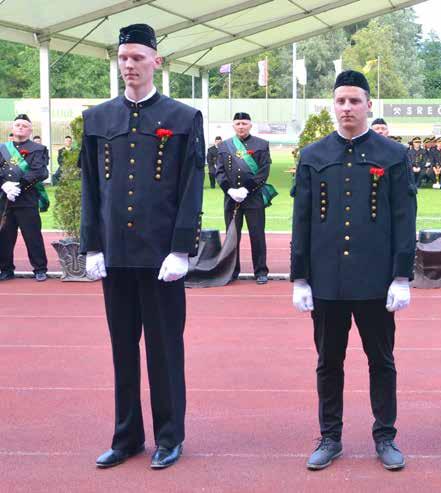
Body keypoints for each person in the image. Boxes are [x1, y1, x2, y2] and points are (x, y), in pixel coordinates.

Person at [80, 23, 205, 470]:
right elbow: (91, 188)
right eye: (123, 57)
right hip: (116, 255)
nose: (129, 65)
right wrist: (92, 246)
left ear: (157, 61)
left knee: (164, 348)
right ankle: (127, 436)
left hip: (161, 258)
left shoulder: (182, 118)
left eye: (137, 57)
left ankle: (169, 436)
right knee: (122, 348)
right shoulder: (98, 119)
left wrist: (181, 249)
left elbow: (192, 188)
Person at [291, 70, 416, 471]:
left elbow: (403, 216)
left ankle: (385, 435)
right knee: (329, 361)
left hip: (376, 282)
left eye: (355, 101)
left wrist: (401, 275)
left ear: (368, 105)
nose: (347, 108)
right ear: (333, 105)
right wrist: (299, 277)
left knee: (381, 360)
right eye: (341, 101)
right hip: (327, 280)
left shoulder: (393, 155)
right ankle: (330, 436)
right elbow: (302, 219)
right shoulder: (313, 155)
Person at [215, 113, 271, 284]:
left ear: (250, 125)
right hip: (231, 199)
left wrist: (246, 189)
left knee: (257, 235)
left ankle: (260, 271)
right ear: (233, 126)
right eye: (238, 123)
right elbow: (219, 171)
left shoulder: (261, 145)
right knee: (232, 236)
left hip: (253, 198)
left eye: (244, 123)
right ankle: (232, 270)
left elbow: (263, 171)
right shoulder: (224, 146)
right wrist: (229, 190)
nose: (241, 126)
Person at [0, 114, 49, 282]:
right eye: (17, 125)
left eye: (24, 125)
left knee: (32, 235)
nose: (20, 127)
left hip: (27, 199)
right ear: (12, 129)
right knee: (4, 236)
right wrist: (4, 185)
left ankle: (40, 268)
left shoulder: (38, 149)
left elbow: (40, 172)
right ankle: (6, 269)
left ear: (30, 130)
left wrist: (18, 186)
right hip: (5, 200)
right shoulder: (2, 149)